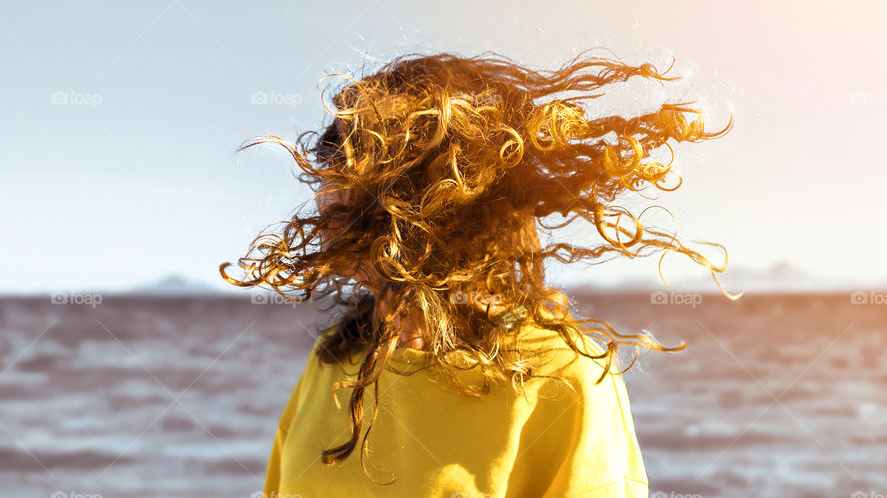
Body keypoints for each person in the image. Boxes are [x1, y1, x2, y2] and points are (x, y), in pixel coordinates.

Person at [220, 49, 736, 497]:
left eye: (353, 165)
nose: (324, 191)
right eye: (329, 159)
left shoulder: (560, 379)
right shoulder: (338, 356)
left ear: (438, 202)